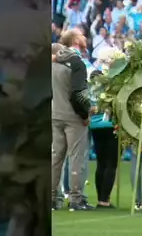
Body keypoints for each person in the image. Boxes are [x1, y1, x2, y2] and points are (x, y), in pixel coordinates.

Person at [51, 29, 93, 211]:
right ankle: (76, 199)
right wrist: (85, 114)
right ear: (76, 40)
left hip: (54, 114)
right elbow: (78, 94)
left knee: (55, 157)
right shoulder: (77, 63)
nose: (85, 38)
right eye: (82, 36)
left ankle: (53, 198)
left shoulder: (52, 62)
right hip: (73, 116)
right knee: (76, 157)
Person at [88, 70, 119, 209]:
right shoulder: (111, 90)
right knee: (111, 163)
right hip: (110, 126)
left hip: (95, 126)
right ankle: (104, 199)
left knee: (101, 163)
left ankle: (101, 197)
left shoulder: (90, 91)